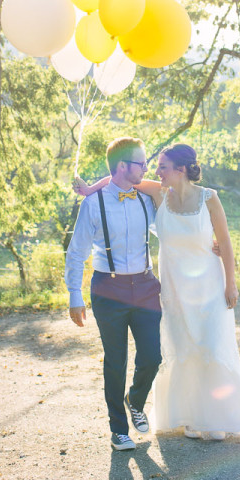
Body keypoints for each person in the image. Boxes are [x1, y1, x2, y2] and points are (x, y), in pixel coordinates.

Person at [74, 142, 240, 440]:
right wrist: (90, 190)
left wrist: (231, 283)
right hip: (173, 288)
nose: (156, 171)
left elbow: (226, 242)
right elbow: (117, 179)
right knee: (183, 349)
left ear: (180, 170)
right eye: (154, 167)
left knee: (210, 345)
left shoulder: (209, 198)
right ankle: (190, 417)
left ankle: (215, 416)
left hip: (208, 284)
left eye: (162, 167)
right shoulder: (158, 194)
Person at [65, 136, 161, 452]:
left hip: (146, 287)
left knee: (152, 356)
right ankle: (118, 429)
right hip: (109, 288)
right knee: (115, 360)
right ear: (123, 166)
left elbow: (170, 230)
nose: (148, 169)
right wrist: (74, 295)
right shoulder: (93, 203)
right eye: (142, 163)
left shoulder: (147, 198)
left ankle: (135, 400)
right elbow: (77, 252)